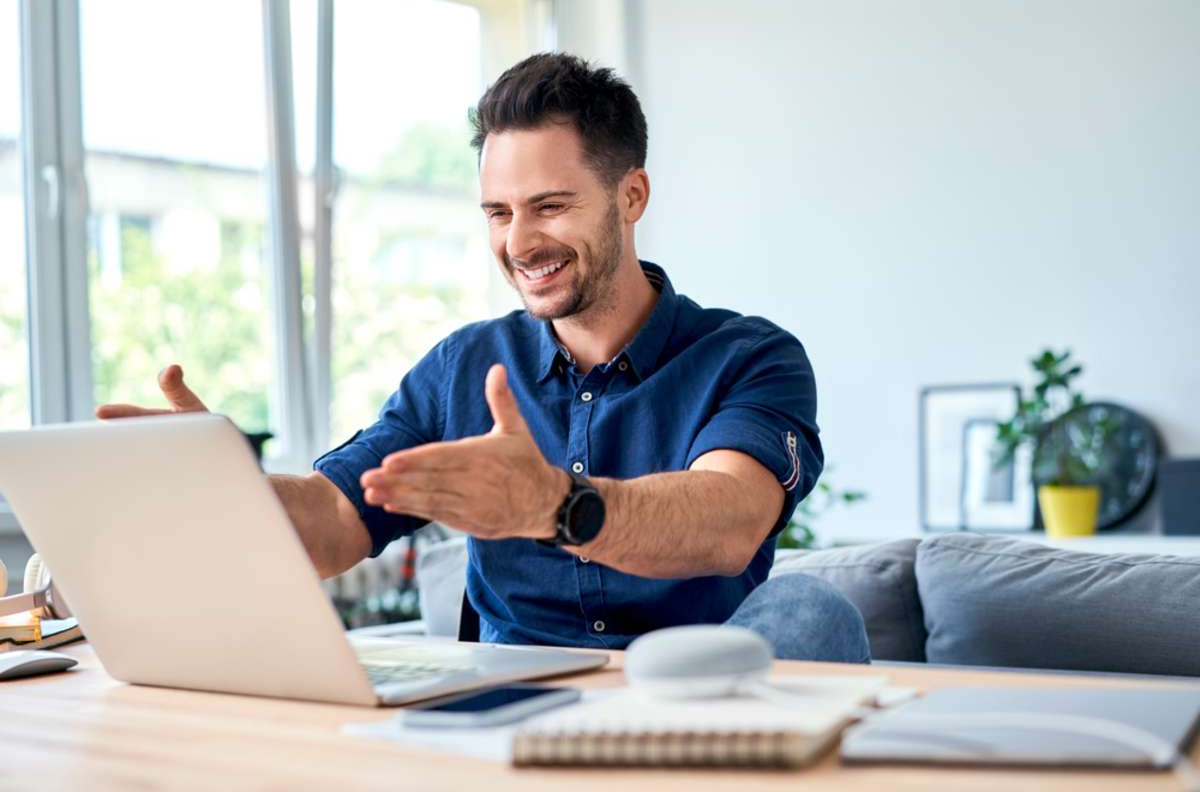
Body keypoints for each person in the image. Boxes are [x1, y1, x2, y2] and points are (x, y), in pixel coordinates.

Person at [98, 53, 869, 663]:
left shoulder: (748, 356)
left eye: (550, 206)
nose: (519, 243)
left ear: (631, 196)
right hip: (515, 704)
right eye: (498, 213)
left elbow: (727, 522)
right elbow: (336, 519)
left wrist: (553, 506)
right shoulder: (462, 367)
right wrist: (225, 485)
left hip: (697, 699)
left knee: (813, 610)